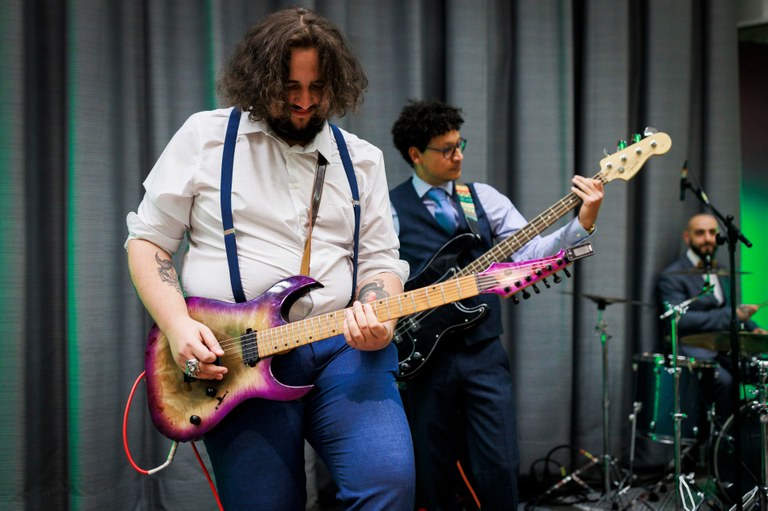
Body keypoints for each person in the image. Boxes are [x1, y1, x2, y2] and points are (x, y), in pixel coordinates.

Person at [125, 8, 415, 510]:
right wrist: (176, 325)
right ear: (259, 81)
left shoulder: (362, 159)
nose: (304, 102)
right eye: (289, 87)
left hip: (341, 347)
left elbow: (380, 259)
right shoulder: (204, 138)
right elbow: (148, 242)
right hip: (238, 357)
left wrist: (380, 314)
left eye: (317, 88)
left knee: (388, 482)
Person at [389, 99, 604, 510]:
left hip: (483, 351)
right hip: (422, 357)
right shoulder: (390, 208)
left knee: (499, 463)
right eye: (446, 149)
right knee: (432, 468)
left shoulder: (482, 198)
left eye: (460, 144)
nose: (458, 155)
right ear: (416, 154)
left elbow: (531, 254)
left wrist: (584, 220)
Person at [656, 213, 766, 425]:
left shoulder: (722, 270)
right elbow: (680, 320)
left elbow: (731, 310)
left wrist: (753, 328)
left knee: (759, 368)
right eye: (700, 233)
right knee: (725, 382)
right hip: (693, 350)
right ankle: (721, 438)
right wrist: (731, 315)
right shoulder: (672, 276)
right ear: (687, 237)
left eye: (712, 232)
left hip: (725, 347)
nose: (707, 238)